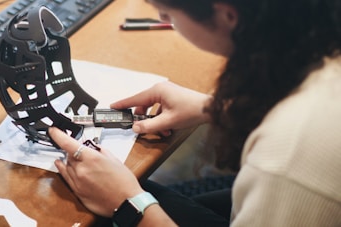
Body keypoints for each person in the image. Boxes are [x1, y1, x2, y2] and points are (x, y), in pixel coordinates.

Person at [49, 0, 341, 226]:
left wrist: (128, 204)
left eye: (167, 15)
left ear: (228, 16)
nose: (165, 21)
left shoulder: (288, 160)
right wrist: (216, 107)